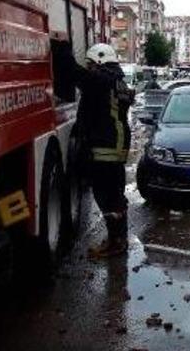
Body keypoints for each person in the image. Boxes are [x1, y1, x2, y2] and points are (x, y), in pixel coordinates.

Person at [61, 43, 134, 257]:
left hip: (106, 147)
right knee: (116, 197)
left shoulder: (103, 80)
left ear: (100, 62)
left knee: (106, 197)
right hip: (116, 146)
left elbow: (78, 75)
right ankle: (118, 241)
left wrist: (62, 50)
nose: (90, 67)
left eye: (92, 63)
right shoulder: (117, 82)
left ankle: (116, 242)